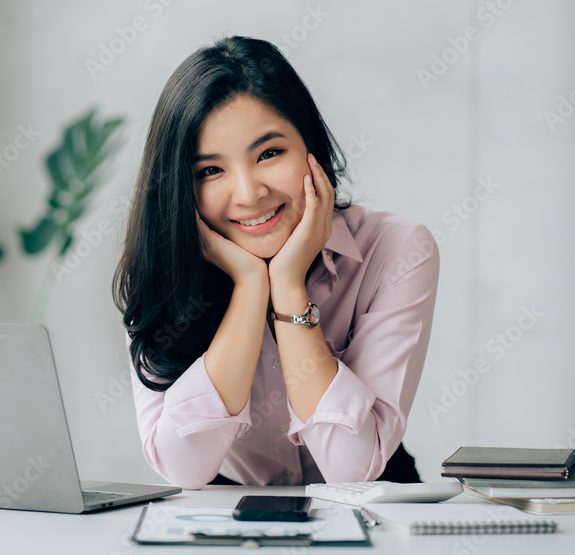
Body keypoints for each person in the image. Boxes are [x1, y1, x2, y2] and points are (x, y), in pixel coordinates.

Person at [112, 35, 439, 490]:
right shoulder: (161, 267)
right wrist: (250, 288)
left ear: (311, 145)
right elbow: (183, 469)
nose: (249, 194)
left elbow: (352, 470)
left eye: (269, 154)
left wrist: (287, 287)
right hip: (228, 511)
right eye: (210, 171)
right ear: (181, 189)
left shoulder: (396, 249)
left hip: (373, 508)